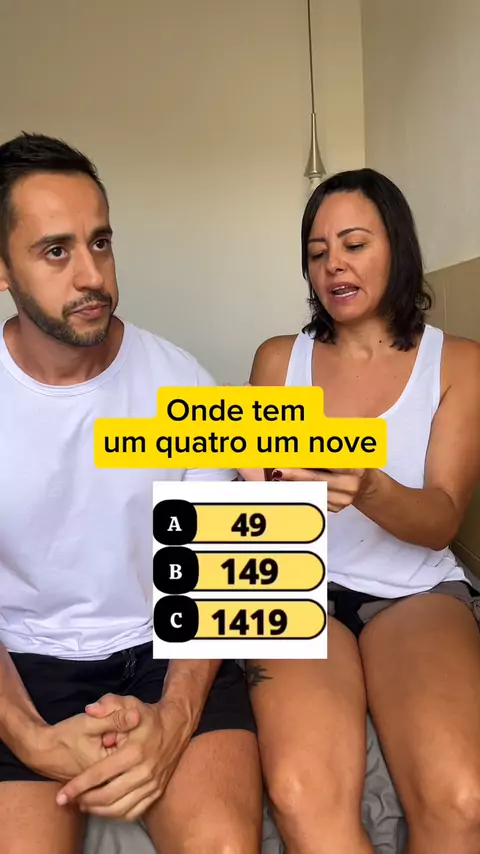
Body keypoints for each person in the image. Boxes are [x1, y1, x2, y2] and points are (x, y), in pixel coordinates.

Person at [0, 132, 262, 854]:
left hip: (163, 649)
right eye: (56, 251)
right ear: (3, 269)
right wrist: (32, 737)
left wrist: (174, 722)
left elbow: (223, 576)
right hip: (22, 666)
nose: (92, 275)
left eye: (101, 242)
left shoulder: (181, 380)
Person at [241, 168, 480, 854]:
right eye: (317, 253)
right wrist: (260, 484)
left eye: (353, 244)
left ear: (396, 248)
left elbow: (442, 521)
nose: (333, 265)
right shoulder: (278, 360)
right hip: (296, 587)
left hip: (414, 593)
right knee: (300, 793)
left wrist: (370, 486)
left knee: (461, 799)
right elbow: (257, 510)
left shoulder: (459, 363)